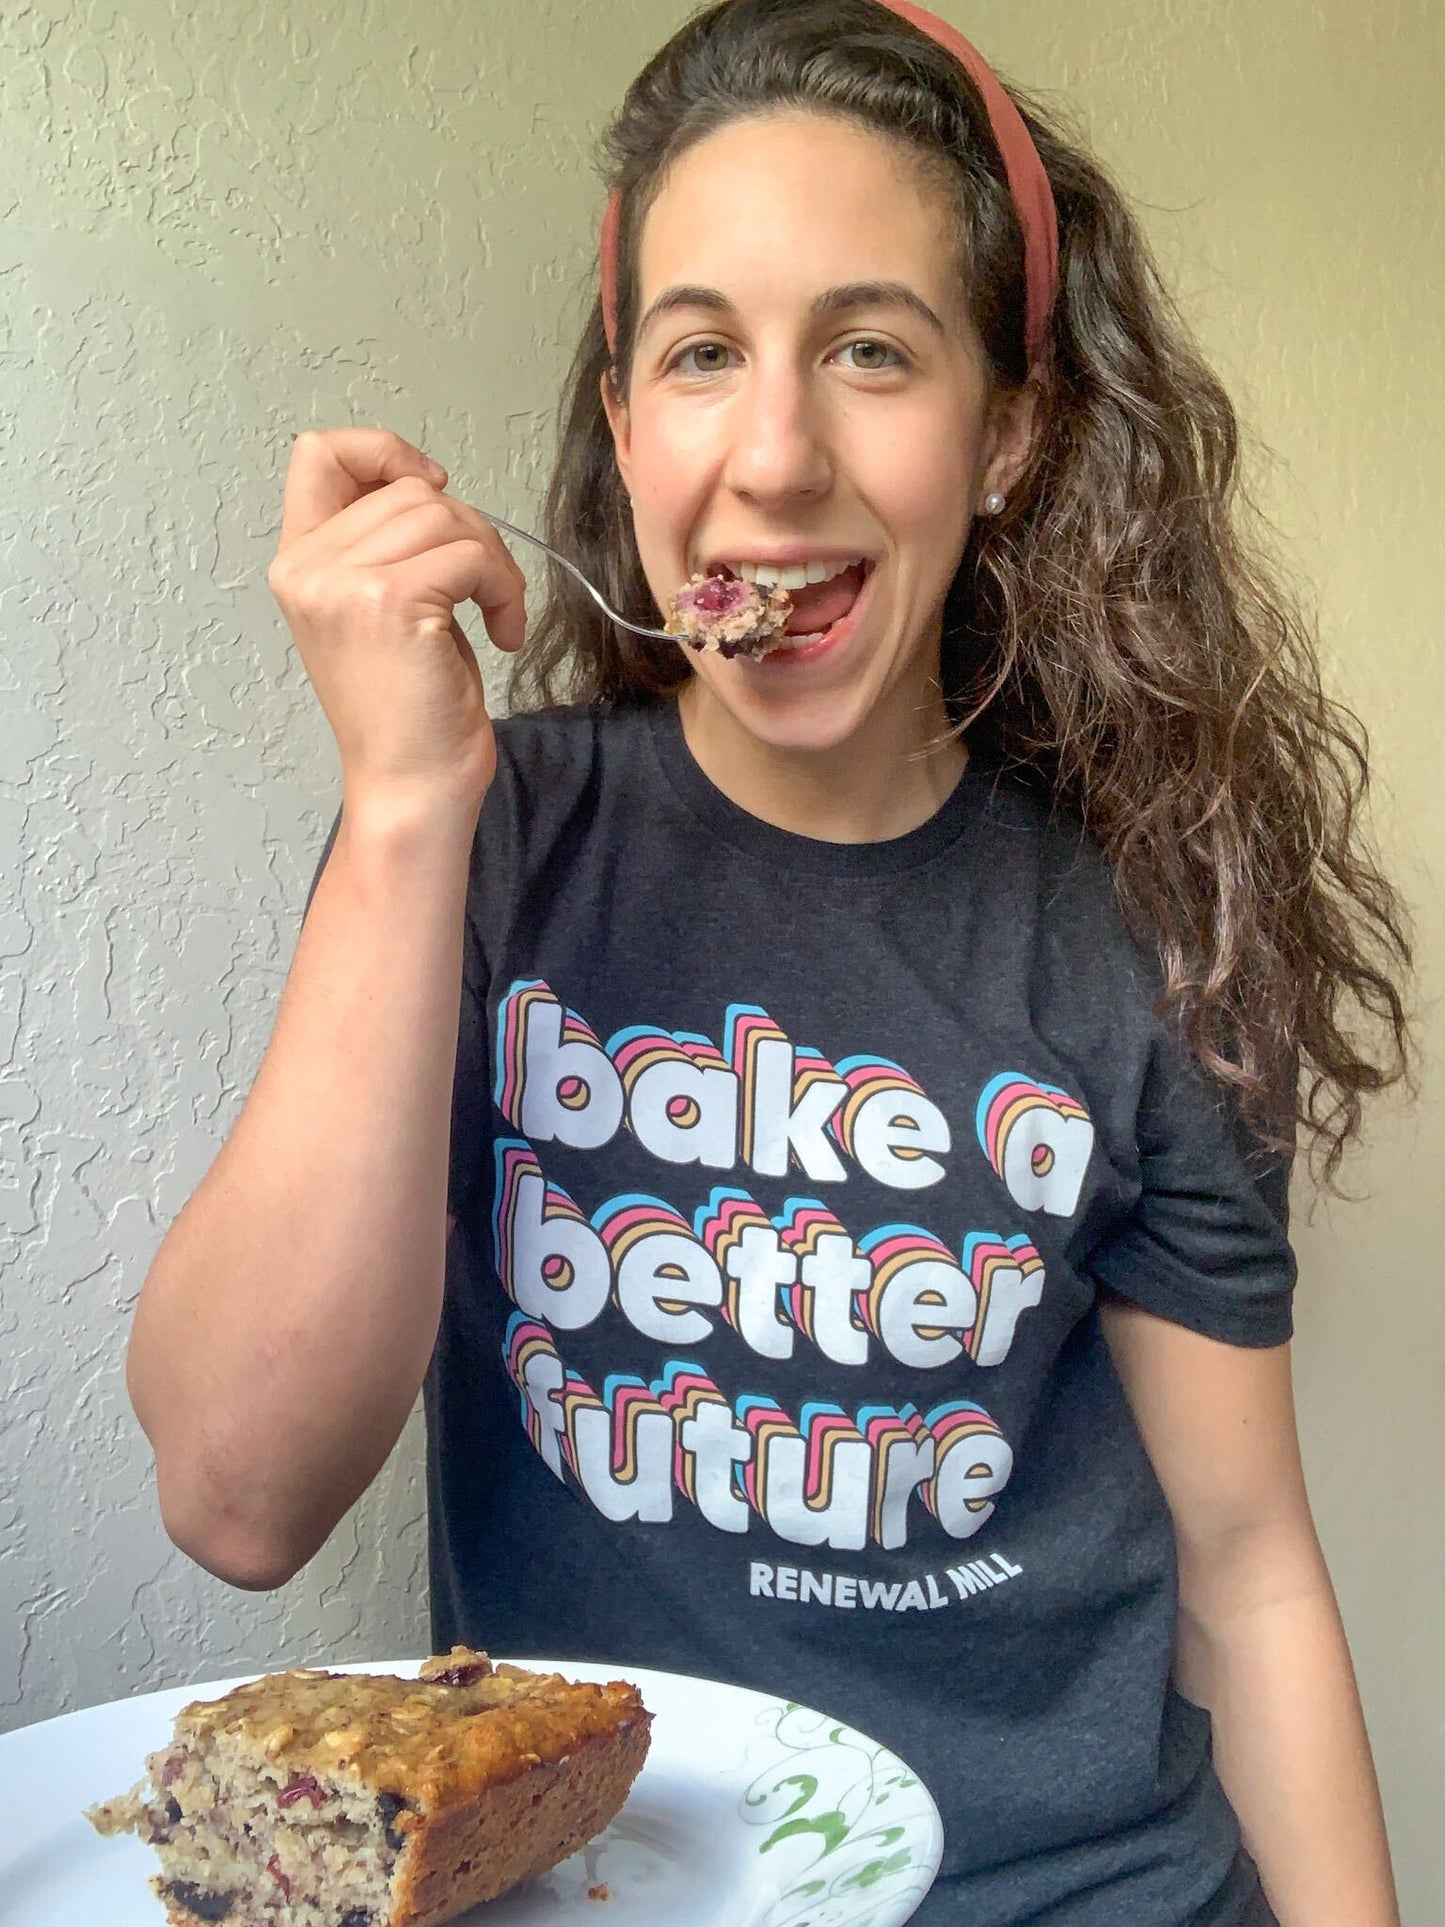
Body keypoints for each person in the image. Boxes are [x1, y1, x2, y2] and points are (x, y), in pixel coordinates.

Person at [125, 3, 1412, 1922]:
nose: (779, 452)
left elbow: (1248, 1575)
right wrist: (405, 806)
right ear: (630, 426)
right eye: (704, 352)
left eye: (873, 352)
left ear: (1008, 435)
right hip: (615, 1882)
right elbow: (238, 1500)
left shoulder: (1140, 929)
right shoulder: (484, 843)